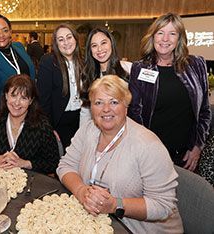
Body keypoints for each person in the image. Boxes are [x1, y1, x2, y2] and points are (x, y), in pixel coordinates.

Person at [57, 75, 183, 233]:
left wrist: (115, 204)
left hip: (142, 229)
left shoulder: (148, 145)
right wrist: (81, 191)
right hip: (101, 223)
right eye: (98, 103)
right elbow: (66, 166)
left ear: (126, 106)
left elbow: (163, 205)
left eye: (114, 102)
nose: (106, 109)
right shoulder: (88, 130)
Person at [128, 13, 211, 171]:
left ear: (179, 38)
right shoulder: (140, 68)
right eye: (160, 32)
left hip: (187, 156)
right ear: (153, 37)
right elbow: (134, 113)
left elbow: (204, 111)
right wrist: (143, 151)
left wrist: (197, 148)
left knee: (188, 194)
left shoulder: (196, 65)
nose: (165, 39)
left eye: (172, 33)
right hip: (151, 154)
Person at [0, 74, 59, 174]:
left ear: (31, 101)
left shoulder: (42, 126)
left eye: (23, 98)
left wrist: (25, 163)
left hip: (32, 183)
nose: (17, 103)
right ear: (6, 96)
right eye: (13, 96)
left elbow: (53, 163)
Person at [37, 24, 83, 151]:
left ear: (75, 39)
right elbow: (43, 100)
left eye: (69, 37)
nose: (66, 42)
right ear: (56, 44)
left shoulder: (83, 62)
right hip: (59, 123)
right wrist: (49, 128)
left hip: (81, 120)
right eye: (61, 39)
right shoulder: (48, 62)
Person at [0, 14, 36, 115]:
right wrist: (1, 120)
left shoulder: (19, 47)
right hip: (6, 114)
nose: (1, 35)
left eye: (5, 30)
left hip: (29, 110)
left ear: (10, 32)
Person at [80, 27, 132, 125]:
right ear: (90, 50)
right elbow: (85, 112)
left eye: (104, 43)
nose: (100, 49)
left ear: (111, 43)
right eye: (94, 46)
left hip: (126, 129)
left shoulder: (129, 69)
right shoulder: (87, 76)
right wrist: (83, 137)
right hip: (99, 130)